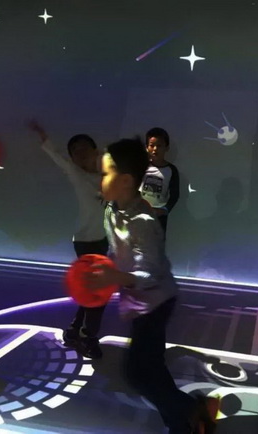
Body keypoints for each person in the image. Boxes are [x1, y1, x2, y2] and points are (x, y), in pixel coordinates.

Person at [85, 137, 218, 433]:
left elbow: (150, 275)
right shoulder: (112, 210)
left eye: (105, 173)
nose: (99, 179)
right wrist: (105, 270)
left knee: (137, 372)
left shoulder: (143, 221)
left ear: (125, 181)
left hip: (156, 302)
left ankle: (191, 410)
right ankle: (182, 421)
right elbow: (118, 253)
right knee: (152, 368)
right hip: (140, 302)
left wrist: (113, 277)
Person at [28, 121, 108, 359]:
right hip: (86, 242)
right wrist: (44, 139)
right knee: (98, 293)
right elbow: (59, 159)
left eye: (85, 149)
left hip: (102, 241)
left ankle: (74, 331)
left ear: (95, 151)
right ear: (72, 158)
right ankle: (87, 338)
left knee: (91, 291)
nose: (81, 154)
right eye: (76, 152)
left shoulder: (107, 177)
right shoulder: (77, 175)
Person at [140, 128, 180, 236]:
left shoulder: (171, 170)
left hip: (159, 217)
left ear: (166, 148)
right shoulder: (142, 166)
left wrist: (164, 210)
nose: (155, 149)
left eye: (159, 146)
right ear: (147, 147)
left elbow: (175, 195)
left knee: (156, 243)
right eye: (152, 145)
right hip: (139, 213)